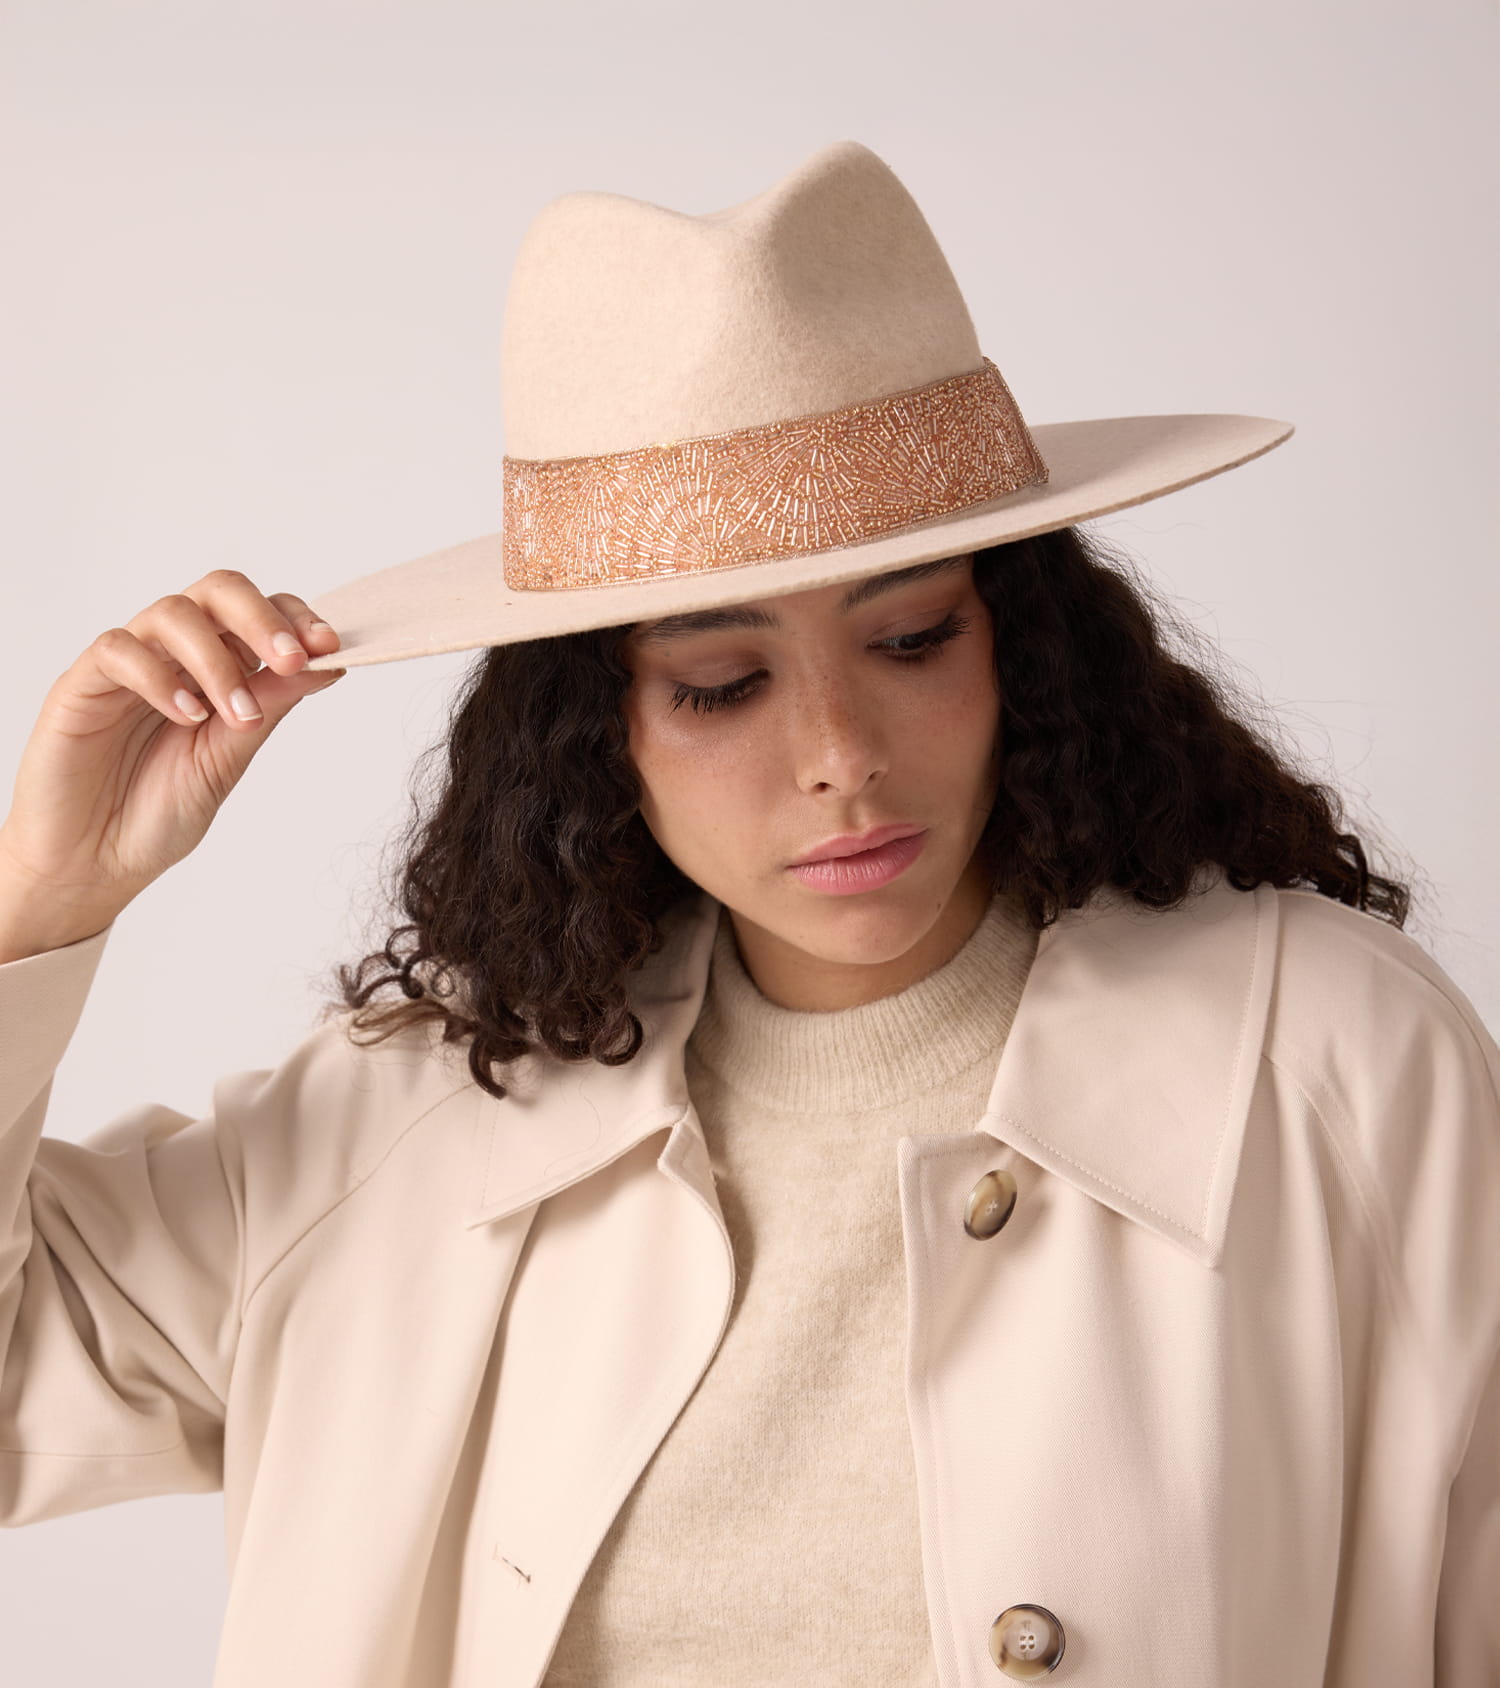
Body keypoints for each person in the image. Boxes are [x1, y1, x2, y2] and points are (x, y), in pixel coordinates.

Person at [0, 139, 1493, 1688]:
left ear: (1026, 646)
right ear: (599, 733)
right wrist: (44, 898)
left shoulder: (1331, 1062)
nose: (840, 755)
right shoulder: (417, 1122)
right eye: (722, 683)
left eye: (912, 639)